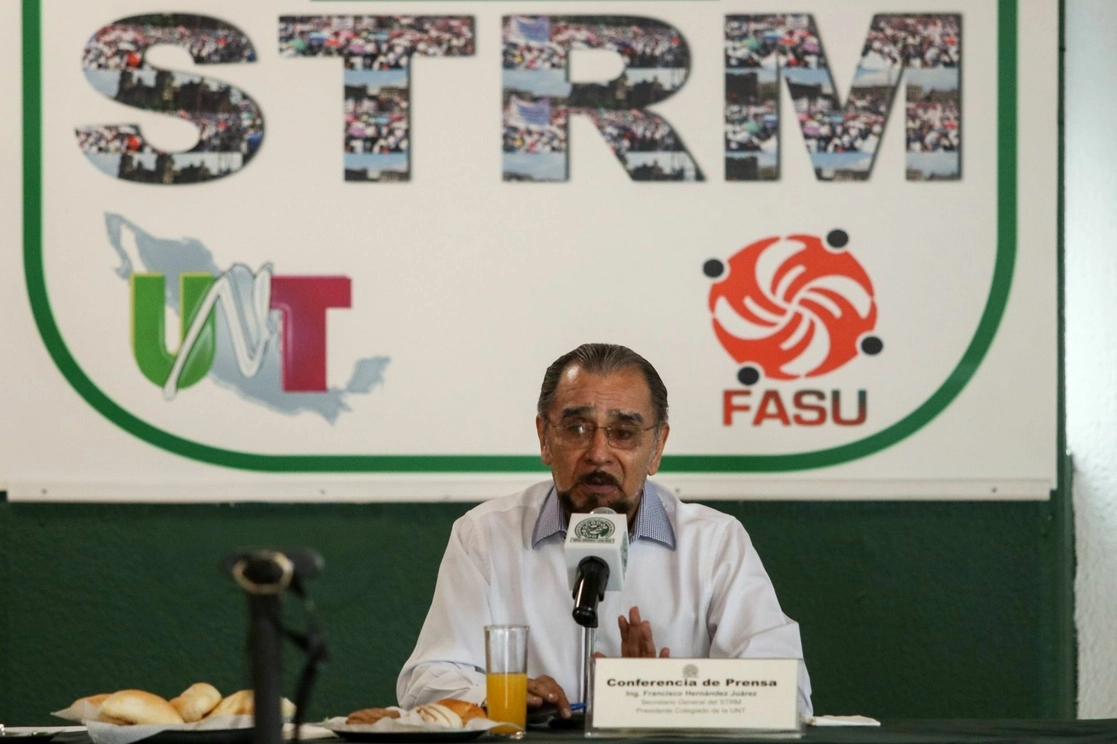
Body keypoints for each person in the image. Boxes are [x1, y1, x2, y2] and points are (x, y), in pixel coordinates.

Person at [397, 343, 813, 718]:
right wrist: (496, 695)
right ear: (545, 438)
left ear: (657, 448)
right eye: (577, 428)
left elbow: (787, 690)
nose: (598, 454)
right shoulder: (485, 537)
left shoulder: (714, 543)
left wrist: (663, 697)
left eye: (624, 433)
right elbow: (425, 682)